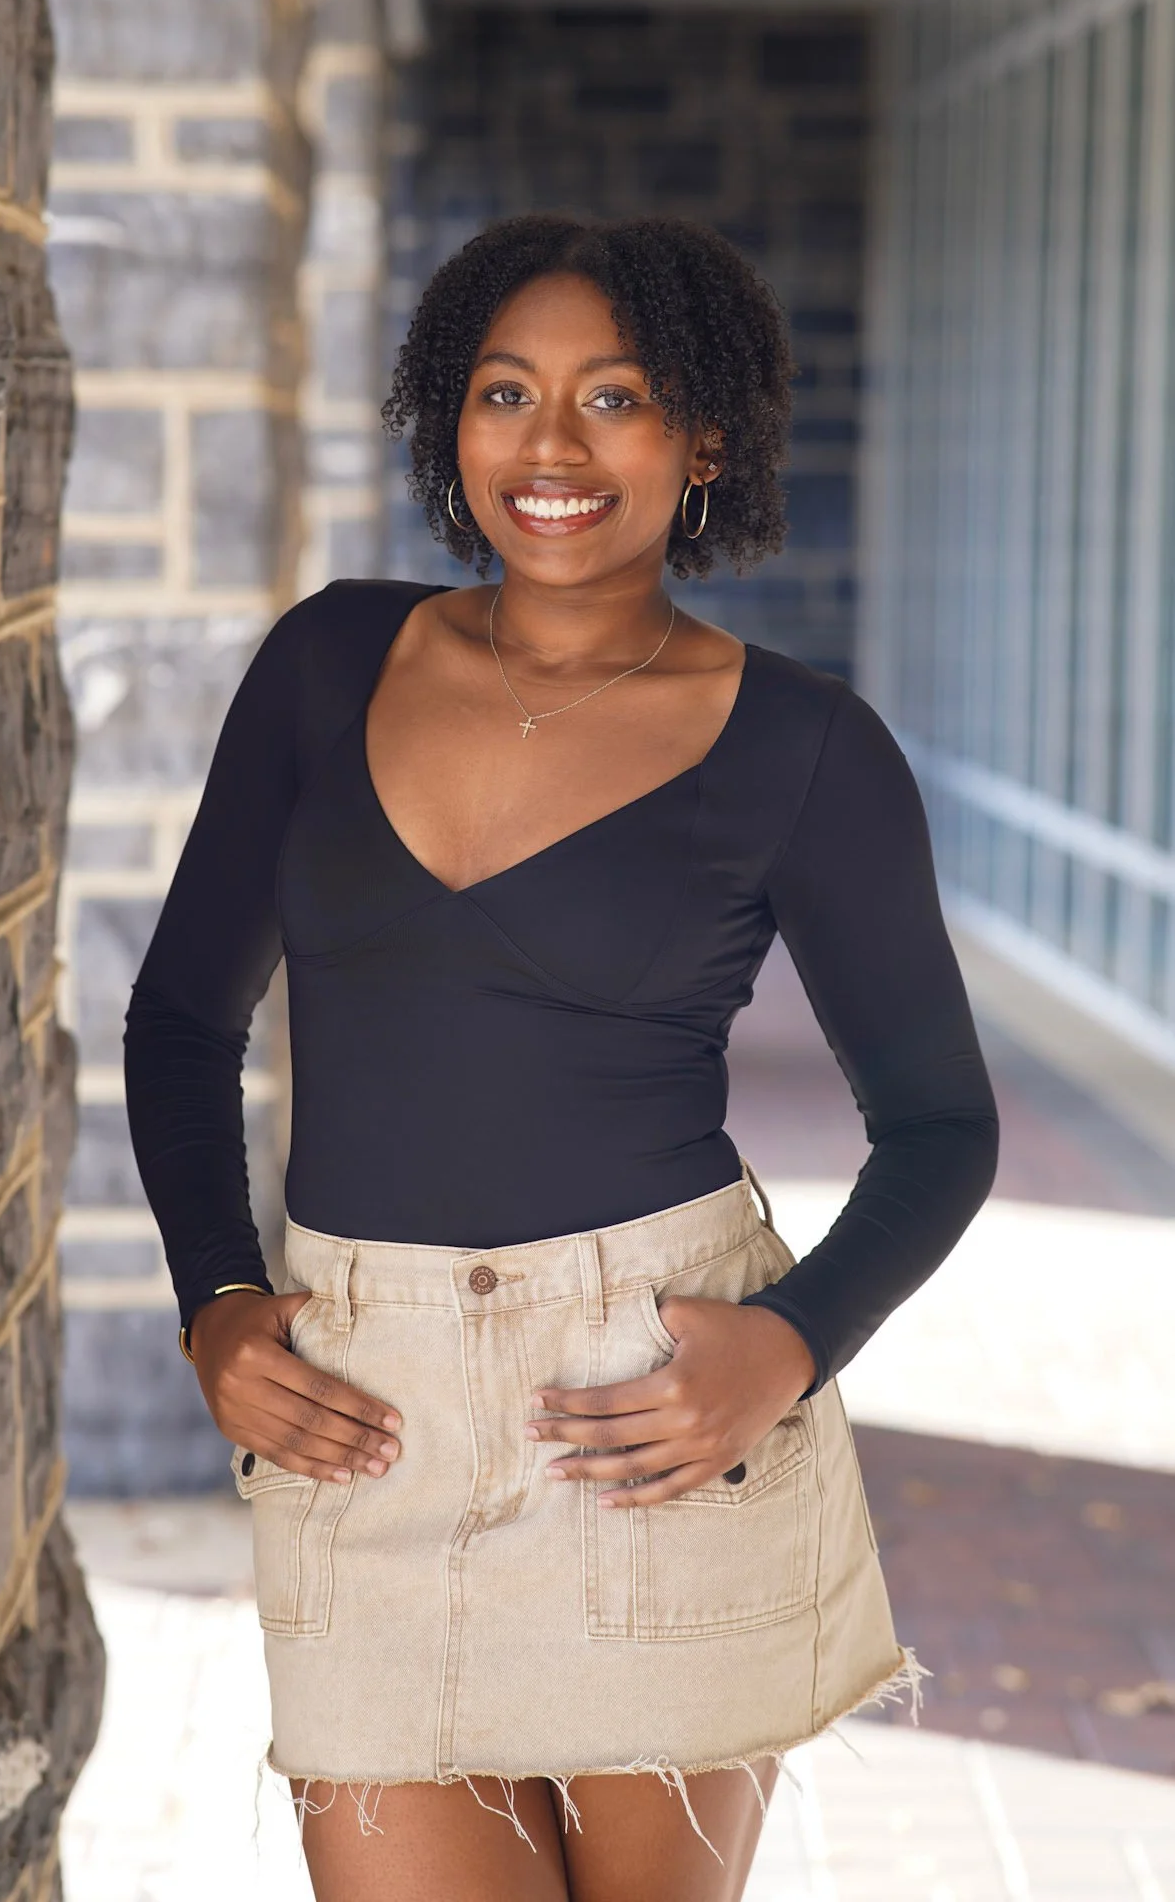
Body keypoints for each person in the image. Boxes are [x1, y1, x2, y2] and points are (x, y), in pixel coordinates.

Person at [124, 215, 998, 1902]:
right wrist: (216, 1298)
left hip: (645, 1416)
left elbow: (943, 1125)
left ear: (706, 440)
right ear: (450, 421)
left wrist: (790, 1346)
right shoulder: (327, 663)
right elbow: (180, 1026)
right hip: (363, 1416)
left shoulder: (805, 748)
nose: (552, 448)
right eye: (506, 392)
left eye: (617, 398)